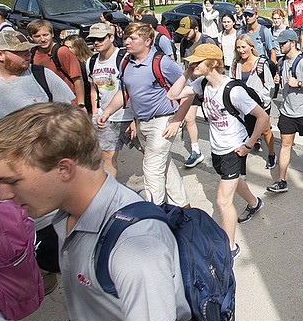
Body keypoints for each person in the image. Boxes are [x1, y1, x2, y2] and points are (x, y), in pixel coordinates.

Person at [0, 103, 190, 321]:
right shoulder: (67, 213)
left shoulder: (133, 245)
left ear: (64, 169)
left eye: (13, 181)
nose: (4, 195)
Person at [167, 44, 269, 253]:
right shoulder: (201, 84)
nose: (192, 64)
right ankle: (254, 202)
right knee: (234, 181)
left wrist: (249, 145)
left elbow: (263, 117)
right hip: (217, 148)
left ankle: (230, 247)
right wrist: (187, 71)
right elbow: (172, 95)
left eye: (198, 61)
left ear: (213, 63)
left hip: (234, 148)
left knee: (223, 201)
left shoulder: (234, 90)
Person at [96, 22, 190, 207]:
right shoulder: (126, 62)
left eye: (133, 38)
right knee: (164, 165)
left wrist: (177, 121)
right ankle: (183, 206)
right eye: (125, 38)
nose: (127, 42)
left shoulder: (162, 62)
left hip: (163, 122)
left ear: (147, 41)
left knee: (151, 169)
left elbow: (189, 91)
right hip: (142, 123)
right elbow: (125, 92)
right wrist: (107, 112)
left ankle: (156, 212)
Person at [267, 29, 303, 193]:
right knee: (285, 144)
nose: (280, 46)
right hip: (287, 111)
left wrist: (299, 83)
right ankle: (281, 180)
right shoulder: (282, 62)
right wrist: (278, 80)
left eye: (283, 43)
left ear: (292, 43)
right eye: (279, 43)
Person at [0, 31, 74, 120]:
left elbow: (68, 112)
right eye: (20, 51)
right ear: (0, 55)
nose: (28, 54)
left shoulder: (42, 75)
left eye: (28, 49)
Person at [85, 24, 133, 178]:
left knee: (150, 156)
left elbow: (134, 87)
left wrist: (135, 118)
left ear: (111, 38)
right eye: (93, 40)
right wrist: (95, 112)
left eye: (100, 39)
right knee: (108, 157)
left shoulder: (124, 57)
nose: (96, 43)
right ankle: (111, 193)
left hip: (129, 115)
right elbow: (93, 89)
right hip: (106, 118)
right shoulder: (91, 62)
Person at [175, 16, 217, 168]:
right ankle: (195, 151)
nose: (185, 35)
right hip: (192, 85)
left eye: (187, 32)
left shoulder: (208, 42)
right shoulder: (184, 43)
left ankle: (219, 149)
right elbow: (184, 64)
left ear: (196, 29)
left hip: (206, 84)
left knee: (214, 118)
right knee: (189, 118)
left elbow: (216, 65)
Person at [231, 34, 277, 170]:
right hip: (242, 106)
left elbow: (269, 86)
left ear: (251, 47)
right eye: (238, 47)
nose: (241, 50)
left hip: (260, 105)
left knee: (266, 130)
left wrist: (261, 101)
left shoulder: (261, 63)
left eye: (243, 47)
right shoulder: (236, 64)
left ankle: (271, 155)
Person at [27, 19, 86, 110]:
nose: (42, 39)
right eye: (37, 36)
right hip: (47, 105)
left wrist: (81, 104)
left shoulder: (62, 52)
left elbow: (77, 78)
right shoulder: (32, 53)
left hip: (68, 102)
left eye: (45, 35)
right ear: (30, 38)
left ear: (52, 34)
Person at [63, 34, 94, 114]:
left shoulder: (90, 62)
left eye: (70, 47)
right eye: (66, 48)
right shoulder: (68, 62)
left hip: (89, 101)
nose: (67, 50)